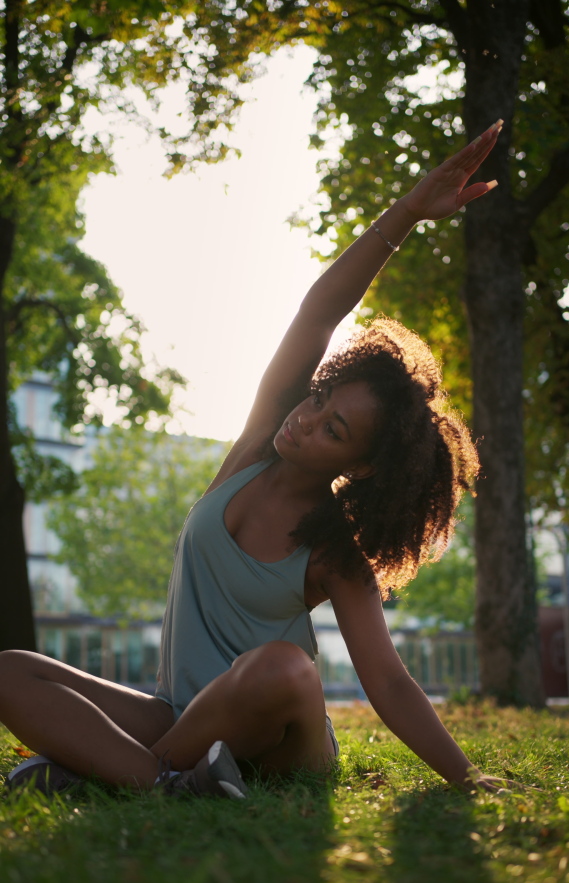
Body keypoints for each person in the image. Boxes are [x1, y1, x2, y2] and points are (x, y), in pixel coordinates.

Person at [1, 119, 509, 798]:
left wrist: (468, 777)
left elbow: (387, 678)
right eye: (319, 397)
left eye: (333, 429)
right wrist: (409, 211)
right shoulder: (251, 450)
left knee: (282, 666)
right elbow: (320, 311)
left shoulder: (334, 550)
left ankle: (114, 770)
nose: (304, 420)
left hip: (278, 737)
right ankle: (162, 779)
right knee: (9, 669)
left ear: (359, 466)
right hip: (180, 715)